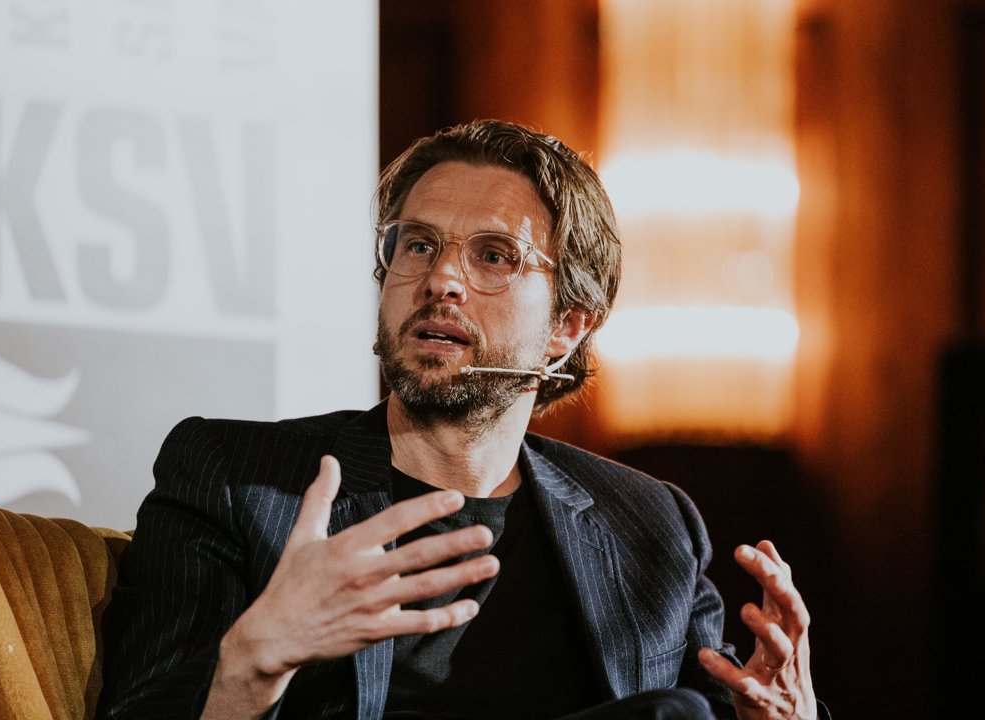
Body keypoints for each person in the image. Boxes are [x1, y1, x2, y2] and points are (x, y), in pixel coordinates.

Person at [97, 120, 826, 720]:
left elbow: (728, 702)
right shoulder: (239, 478)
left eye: (494, 256)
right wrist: (257, 655)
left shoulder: (649, 525)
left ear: (566, 326)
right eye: (418, 245)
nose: (440, 279)